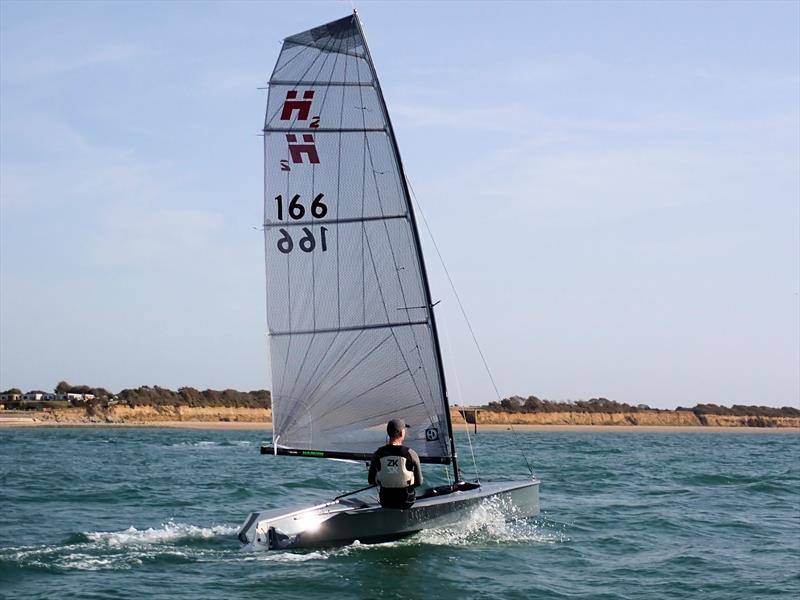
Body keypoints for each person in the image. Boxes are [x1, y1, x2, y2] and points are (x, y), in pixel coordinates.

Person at [367, 418, 423, 509]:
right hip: (407, 501)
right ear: (401, 433)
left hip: (385, 501)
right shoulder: (411, 453)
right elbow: (419, 482)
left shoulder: (378, 453)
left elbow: (371, 480)